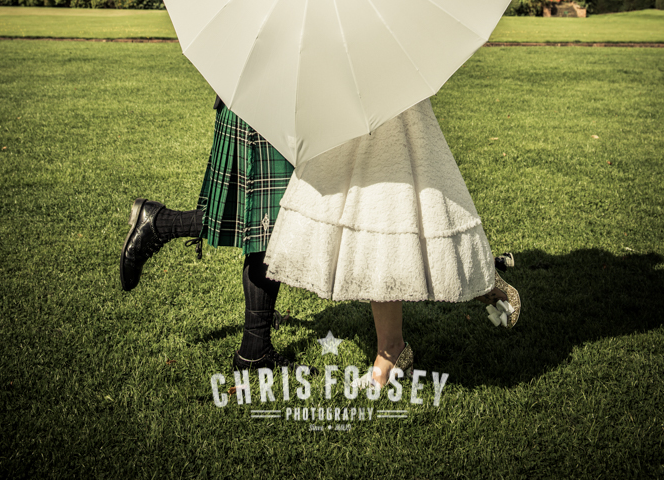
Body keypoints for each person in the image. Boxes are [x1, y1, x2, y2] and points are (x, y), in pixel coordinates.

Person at [264, 97, 520, 389]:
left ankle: (486, 285)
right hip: (348, 115)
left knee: (417, 217)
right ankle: (391, 351)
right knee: (376, 235)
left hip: (395, 112)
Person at [120, 96, 298, 372]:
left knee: (270, 224)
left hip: (268, 111)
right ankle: (160, 223)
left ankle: (255, 350)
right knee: (269, 225)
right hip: (263, 114)